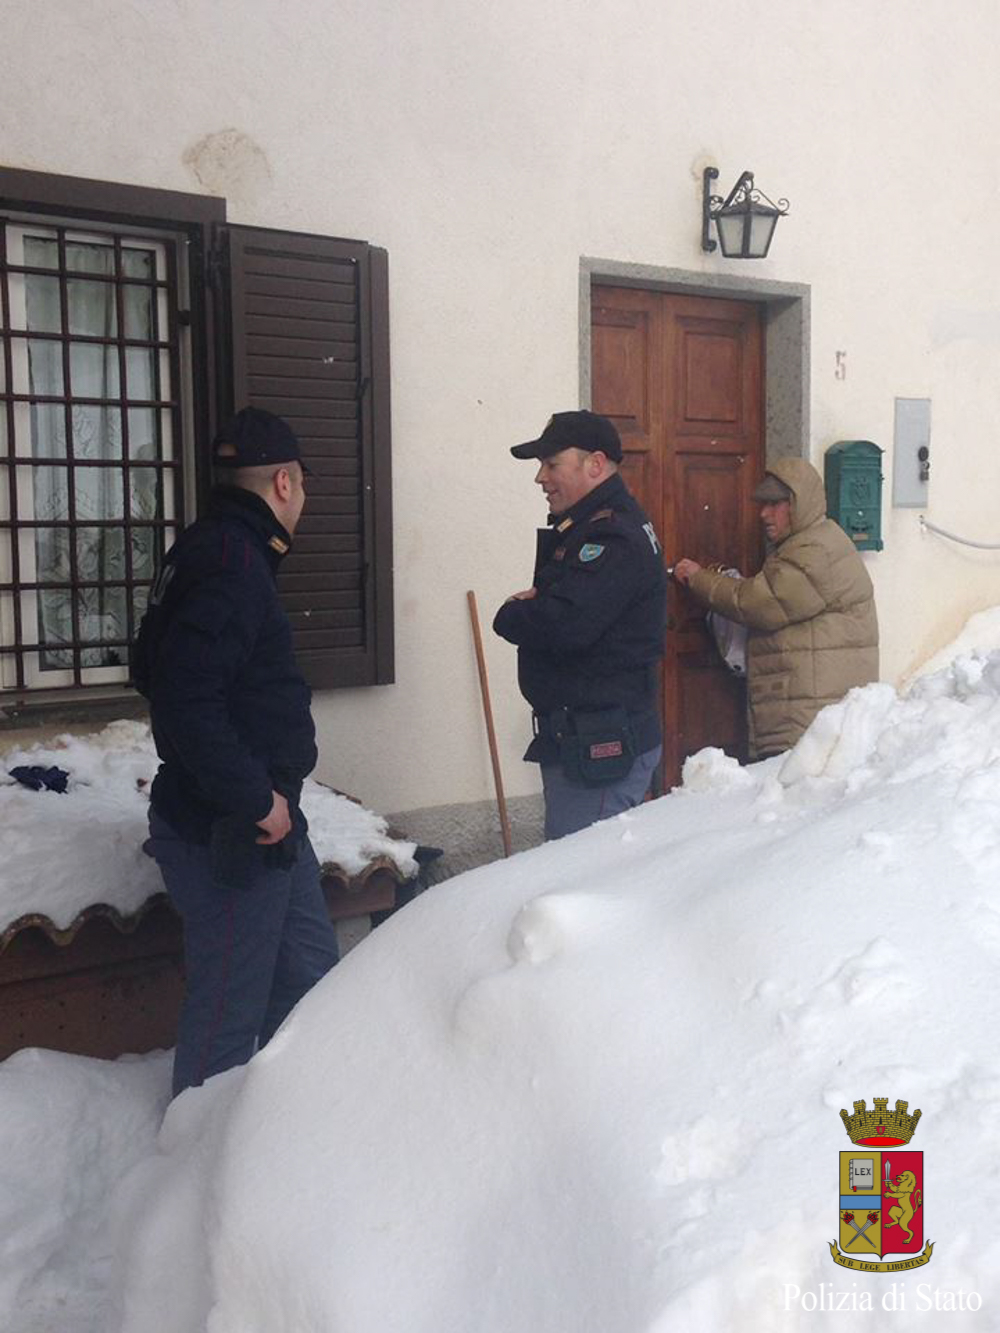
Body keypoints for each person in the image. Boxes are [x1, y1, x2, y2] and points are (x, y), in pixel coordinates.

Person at [135, 407, 338, 1096]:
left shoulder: (216, 549)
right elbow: (183, 701)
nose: (303, 499)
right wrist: (256, 797)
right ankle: (192, 1183)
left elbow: (149, 666)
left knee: (312, 984)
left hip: (270, 826)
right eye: (303, 485)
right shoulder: (230, 563)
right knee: (228, 1021)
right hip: (235, 829)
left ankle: (282, 1142)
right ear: (284, 482)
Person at [493, 410, 667, 839]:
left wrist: (513, 614)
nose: (540, 478)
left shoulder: (611, 536)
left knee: (582, 883)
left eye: (552, 464)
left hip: (600, 751)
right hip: (582, 740)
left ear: (595, 464)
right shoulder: (590, 526)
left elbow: (565, 626)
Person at [673, 457, 878, 759]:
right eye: (763, 504)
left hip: (810, 719)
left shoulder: (814, 551)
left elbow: (760, 604)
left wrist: (698, 579)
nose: (763, 514)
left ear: (799, 503)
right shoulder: (812, 544)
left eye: (775, 504)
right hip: (811, 711)